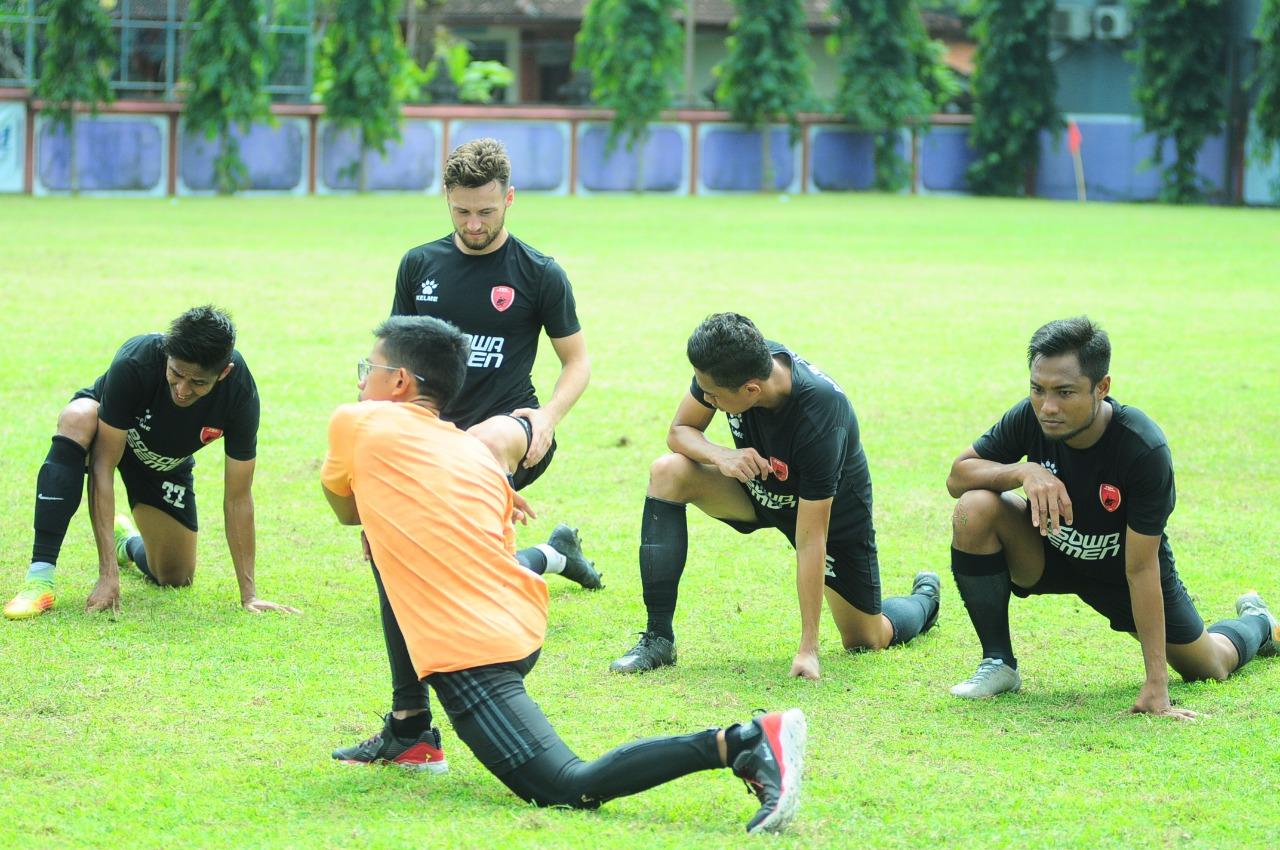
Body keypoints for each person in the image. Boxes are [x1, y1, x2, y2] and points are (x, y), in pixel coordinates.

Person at [320, 316, 806, 834]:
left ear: (398, 381)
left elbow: (349, 511)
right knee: (392, 550)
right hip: (516, 618)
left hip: (473, 650)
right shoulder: (468, 451)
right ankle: (410, 731)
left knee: (564, 785)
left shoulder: (359, 421)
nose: (360, 380)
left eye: (367, 369)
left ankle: (744, 741)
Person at [945, 316, 1277, 716]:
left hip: (1121, 572)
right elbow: (958, 476)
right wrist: (1022, 471)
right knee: (973, 508)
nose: (1048, 406)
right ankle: (998, 662)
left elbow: (1141, 568)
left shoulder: (1143, 449)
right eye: (1038, 389)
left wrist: (1156, 685)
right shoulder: (1030, 417)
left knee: (1209, 666)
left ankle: (1259, 623)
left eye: (1065, 392)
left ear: (1102, 388)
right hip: (1048, 552)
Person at [608, 313, 941, 681]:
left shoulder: (821, 415)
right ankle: (658, 638)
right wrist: (722, 455)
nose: (706, 398)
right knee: (667, 472)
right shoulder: (725, 364)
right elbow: (680, 431)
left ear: (751, 390)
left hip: (829, 516)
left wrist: (808, 649)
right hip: (757, 491)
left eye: (714, 396)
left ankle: (925, 599)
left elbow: (811, 537)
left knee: (866, 638)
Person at [4, 306, 298, 619]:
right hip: (107, 437)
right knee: (78, 417)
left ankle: (127, 545)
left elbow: (238, 497)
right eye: (176, 373)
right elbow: (103, 467)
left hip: (163, 465)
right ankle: (39, 579)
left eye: (198, 382)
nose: (183, 390)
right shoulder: (137, 361)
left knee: (175, 575)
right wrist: (107, 575)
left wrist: (249, 594)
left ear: (223, 372)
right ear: (167, 354)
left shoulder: (239, 393)